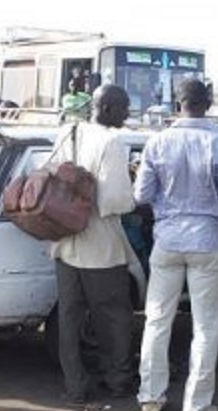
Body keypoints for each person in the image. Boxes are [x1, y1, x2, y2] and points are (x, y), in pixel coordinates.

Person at [134, 78, 218, 411]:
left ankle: (151, 397)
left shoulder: (156, 142)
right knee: (206, 326)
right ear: (207, 103)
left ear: (176, 104)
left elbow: (140, 195)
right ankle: (197, 404)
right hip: (207, 242)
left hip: (166, 242)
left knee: (156, 321)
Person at [51, 84, 137, 404]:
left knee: (69, 320)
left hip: (64, 242)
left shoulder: (68, 131)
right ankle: (118, 381)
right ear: (108, 109)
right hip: (100, 246)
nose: (128, 114)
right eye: (125, 108)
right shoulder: (111, 141)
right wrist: (136, 195)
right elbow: (115, 200)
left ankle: (75, 386)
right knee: (113, 317)